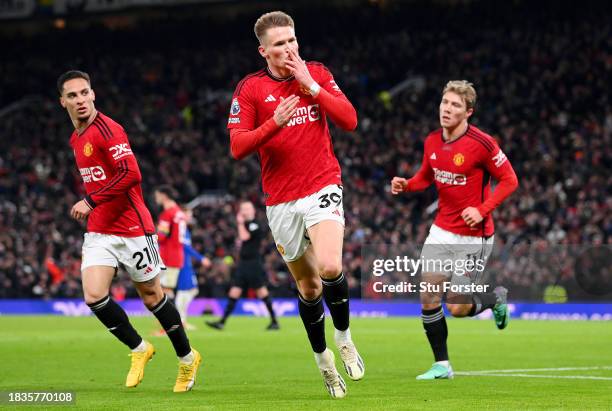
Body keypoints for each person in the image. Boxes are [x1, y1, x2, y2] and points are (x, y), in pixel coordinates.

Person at [227, 11, 364, 398]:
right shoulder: (250, 90)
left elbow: (350, 120)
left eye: (292, 41)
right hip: (281, 200)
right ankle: (324, 362)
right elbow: (237, 147)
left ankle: (345, 338)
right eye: (279, 45)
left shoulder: (317, 72)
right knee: (308, 288)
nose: (288, 49)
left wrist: (312, 87)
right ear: (263, 51)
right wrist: (275, 123)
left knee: (331, 265)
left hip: (322, 184)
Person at [59, 70, 201, 392]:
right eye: (73, 95)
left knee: (153, 297)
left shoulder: (109, 130)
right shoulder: (76, 138)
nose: (80, 100)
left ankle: (187, 357)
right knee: (94, 296)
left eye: (85, 93)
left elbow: (131, 174)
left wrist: (91, 200)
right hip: (100, 231)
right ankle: (139, 349)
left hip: (133, 228)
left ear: (93, 94)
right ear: (63, 102)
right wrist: (95, 205)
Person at [391, 80, 519, 380]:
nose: (447, 109)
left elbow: (510, 180)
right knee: (429, 296)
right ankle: (442, 365)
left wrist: (482, 210)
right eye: (445, 103)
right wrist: (407, 184)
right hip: (441, 231)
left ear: (468, 112)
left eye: (455, 105)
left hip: (475, 236)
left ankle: (495, 299)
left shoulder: (483, 144)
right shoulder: (432, 141)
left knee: (458, 308)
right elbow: (426, 176)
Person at [206, 201, 279, 331]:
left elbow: (245, 237)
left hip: (254, 263)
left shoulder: (255, 225)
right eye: (242, 208)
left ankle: (274, 321)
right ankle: (222, 322)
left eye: (246, 208)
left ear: (252, 211)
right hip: (243, 264)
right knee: (234, 291)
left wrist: (239, 223)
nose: (244, 211)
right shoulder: (245, 225)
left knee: (261, 291)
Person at [175, 208, 211, 330]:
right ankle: (181, 321)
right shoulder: (181, 228)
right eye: (188, 214)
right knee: (183, 291)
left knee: (192, 290)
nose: (190, 216)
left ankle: (182, 320)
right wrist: (201, 258)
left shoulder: (185, 229)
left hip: (186, 263)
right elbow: (184, 247)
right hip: (181, 264)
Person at [154, 185, 186, 301]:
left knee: (165, 289)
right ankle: (168, 318)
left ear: (164, 196)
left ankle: (171, 318)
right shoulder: (179, 213)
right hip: (177, 255)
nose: (155, 199)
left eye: (157, 196)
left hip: (168, 255)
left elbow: (161, 237)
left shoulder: (167, 214)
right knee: (166, 288)